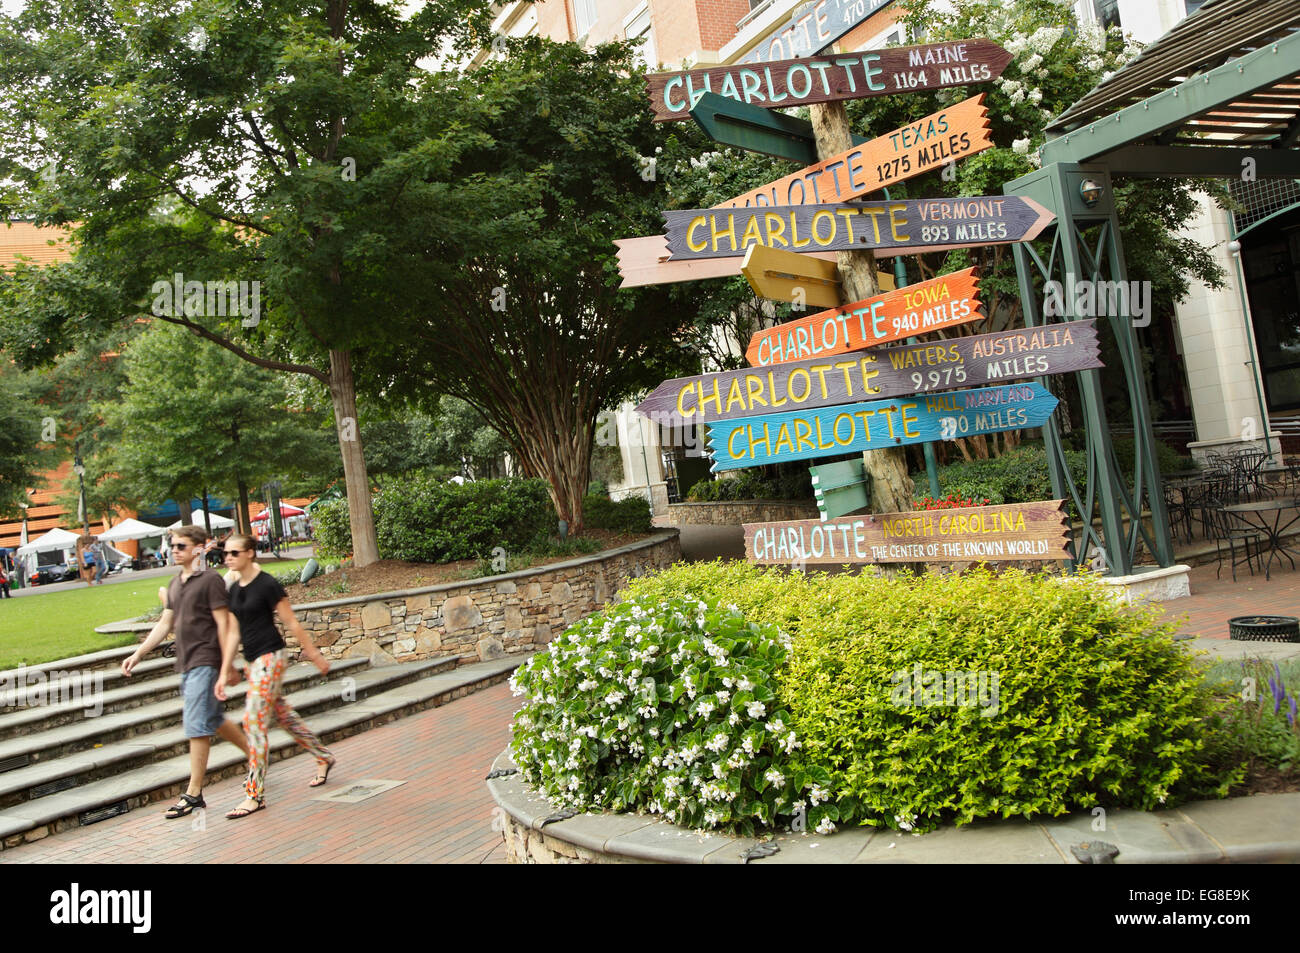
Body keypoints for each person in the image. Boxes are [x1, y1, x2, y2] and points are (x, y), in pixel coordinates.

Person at [121, 525, 250, 818]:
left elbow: (224, 624)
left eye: (181, 546)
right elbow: (165, 624)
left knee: (195, 724)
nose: (175, 550)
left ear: (199, 548)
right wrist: (138, 654)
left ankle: (193, 794)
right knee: (214, 719)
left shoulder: (210, 581)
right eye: (173, 546)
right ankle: (257, 755)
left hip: (206, 660)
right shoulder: (175, 584)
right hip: (186, 661)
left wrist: (228, 664)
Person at [217, 533, 334, 819]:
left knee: (254, 721)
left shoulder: (267, 584)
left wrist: (314, 654)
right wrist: (225, 670)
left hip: (272, 657)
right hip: (252, 661)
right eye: (226, 553)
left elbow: (290, 621)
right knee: (282, 716)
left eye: (234, 553)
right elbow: (233, 632)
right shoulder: (233, 588)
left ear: (250, 553)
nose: (228, 558)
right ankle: (323, 756)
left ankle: (254, 794)